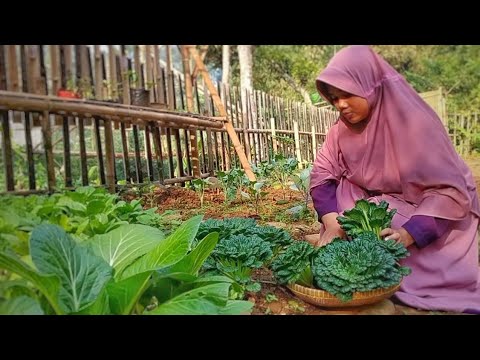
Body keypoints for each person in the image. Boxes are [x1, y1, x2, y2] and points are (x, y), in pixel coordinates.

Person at [309, 45, 480, 314]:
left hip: (430, 207)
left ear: (371, 86)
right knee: (344, 194)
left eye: (347, 94)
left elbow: (449, 193)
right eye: (333, 97)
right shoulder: (340, 130)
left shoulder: (416, 123)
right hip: (380, 201)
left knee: (390, 228)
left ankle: (404, 268)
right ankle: (348, 244)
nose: (340, 104)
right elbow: (322, 173)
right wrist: (332, 223)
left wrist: (407, 234)